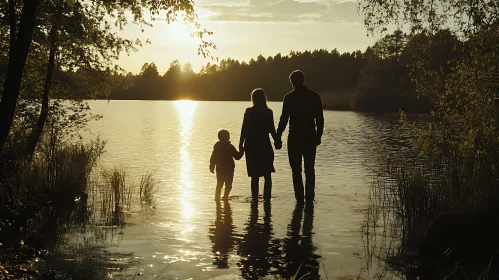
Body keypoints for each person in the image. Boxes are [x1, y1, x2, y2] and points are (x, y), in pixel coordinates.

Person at [276, 70, 324, 203]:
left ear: (292, 82)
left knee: (296, 170)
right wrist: (318, 135)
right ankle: (310, 200)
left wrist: (278, 136)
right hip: (310, 136)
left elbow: (284, 119)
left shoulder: (289, 97)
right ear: (303, 80)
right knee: (310, 169)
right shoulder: (314, 96)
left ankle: (299, 200)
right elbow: (320, 119)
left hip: (294, 137)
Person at [239, 88, 281, 201]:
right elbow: (272, 130)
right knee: (267, 175)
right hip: (264, 145)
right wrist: (277, 141)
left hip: (251, 146)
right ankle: (267, 201)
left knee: (254, 176)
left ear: (253, 98)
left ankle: (254, 200)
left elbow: (244, 130)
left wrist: (240, 145)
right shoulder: (268, 112)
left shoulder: (249, 111)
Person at [210, 129, 244, 200]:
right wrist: (242, 151)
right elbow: (237, 157)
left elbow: (213, 158)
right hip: (229, 170)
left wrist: (212, 166)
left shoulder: (217, 147)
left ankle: (217, 198)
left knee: (220, 184)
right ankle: (224, 197)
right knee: (227, 185)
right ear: (228, 137)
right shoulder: (229, 147)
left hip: (220, 169)